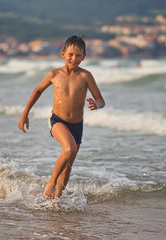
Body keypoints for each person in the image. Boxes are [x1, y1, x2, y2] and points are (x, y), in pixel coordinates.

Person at [18, 35, 105, 199]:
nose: (74, 58)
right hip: (57, 121)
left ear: (84, 57)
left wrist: (97, 104)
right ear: (63, 53)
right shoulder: (54, 74)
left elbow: (100, 99)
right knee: (69, 149)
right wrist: (24, 115)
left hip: (77, 125)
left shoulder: (86, 76)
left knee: (68, 166)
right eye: (71, 54)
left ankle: (56, 201)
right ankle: (50, 183)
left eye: (78, 55)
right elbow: (37, 91)